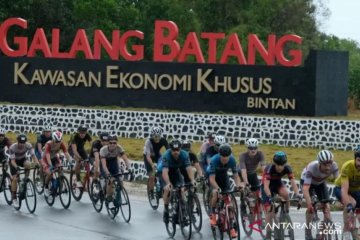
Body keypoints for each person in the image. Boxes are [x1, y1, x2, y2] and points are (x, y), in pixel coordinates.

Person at [300, 150, 339, 240]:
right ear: (320, 163)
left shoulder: (334, 166)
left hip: (320, 182)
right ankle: (308, 231)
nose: (328, 167)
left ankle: (322, 235)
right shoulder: (312, 168)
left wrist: (341, 198)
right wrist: (309, 204)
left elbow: (339, 184)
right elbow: (305, 189)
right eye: (325, 164)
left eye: (330, 163)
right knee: (311, 207)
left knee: (327, 207)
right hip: (307, 183)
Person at [261, 151, 300, 239]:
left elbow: (293, 183)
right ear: (274, 163)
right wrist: (270, 197)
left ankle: (286, 214)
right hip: (267, 187)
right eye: (278, 164)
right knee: (269, 210)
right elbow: (266, 187)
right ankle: (268, 232)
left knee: (286, 194)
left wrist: (298, 194)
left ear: (285, 164)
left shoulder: (288, 168)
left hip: (277, 183)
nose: (279, 167)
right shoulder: (269, 169)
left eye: (282, 165)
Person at [208, 143, 241, 238]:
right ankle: (213, 214)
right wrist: (217, 188)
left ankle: (231, 228)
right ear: (219, 154)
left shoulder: (232, 160)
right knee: (215, 193)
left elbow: (235, 175)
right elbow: (212, 179)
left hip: (224, 177)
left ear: (230, 155)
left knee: (228, 200)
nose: (225, 158)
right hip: (213, 178)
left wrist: (238, 186)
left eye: (227, 156)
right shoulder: (214, 160)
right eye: (223, 156)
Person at [162, 139, 194, 223]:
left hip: (176, 171)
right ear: (170, 150)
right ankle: (165, 209)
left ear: (180, 149)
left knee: (181, 187)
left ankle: (182, 208)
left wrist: (192, 180)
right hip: (164, 172)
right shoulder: (166, 155)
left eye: (177, 150)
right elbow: (165, 171)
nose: (176, 152)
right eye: (173, 150)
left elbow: (188, 168)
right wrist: (168, 183)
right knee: (168, 189)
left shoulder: (184, 154)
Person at [334, 146, 360, 239]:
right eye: (358, 160)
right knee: (352, 203)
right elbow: (344, 190)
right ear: (355, 159)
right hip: (341, 188)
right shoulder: (347, 166)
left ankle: (356, 234)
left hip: (356, 190)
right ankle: (346, 231)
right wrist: (348, 205)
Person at [100, 135, 132, 207]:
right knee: (111, 180)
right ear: (108, 143)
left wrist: (130, 169)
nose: (112, 144)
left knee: (120, 181)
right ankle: (109, 198)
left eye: (114, 143)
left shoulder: (119, 148)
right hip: (104, 165)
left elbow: (126, 159)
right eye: (110, 143)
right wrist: (108, 173)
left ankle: (117, 196)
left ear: (117, 143)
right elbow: (104, 166)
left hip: (114, 164)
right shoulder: (103, 150)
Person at [9, 134, 39, 208]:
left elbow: (33, 156)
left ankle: (25, 180)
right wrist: (16, 167)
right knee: (15, 178)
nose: (22, 144)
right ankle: (14, 197)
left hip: (22, 159)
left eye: (23, 143)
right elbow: (12, 161)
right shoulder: (12, 147)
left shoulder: (28, 145)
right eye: (20, 143)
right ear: (18, 142)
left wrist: (37, 164)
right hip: (14, 162)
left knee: (28, 164)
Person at [42, 131, 72, 197]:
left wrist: (71, 161)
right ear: (53, 139)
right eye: (56, 141)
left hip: (54, 157)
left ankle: (59, 185)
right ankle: (46, 187)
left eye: (59, 142)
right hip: (46, 159)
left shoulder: (61, 144)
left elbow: (66, 154)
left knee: (60, 169)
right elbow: (48, 157)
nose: (57, 143)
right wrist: (50, 165)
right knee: (50, 173)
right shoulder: (48, 144)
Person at [143, 127, 168, 201]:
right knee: (152, 175)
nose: (157, 138)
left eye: (158, 136)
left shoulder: (163, 140)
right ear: (152, 136)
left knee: (162, 170)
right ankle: (151, 194)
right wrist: (152, 165)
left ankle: (161, 185)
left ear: (161, 135)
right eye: (155, 136)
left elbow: (169, 151)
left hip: (157, 155)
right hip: (148, 156)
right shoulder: (148, 141)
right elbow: (148, 156)